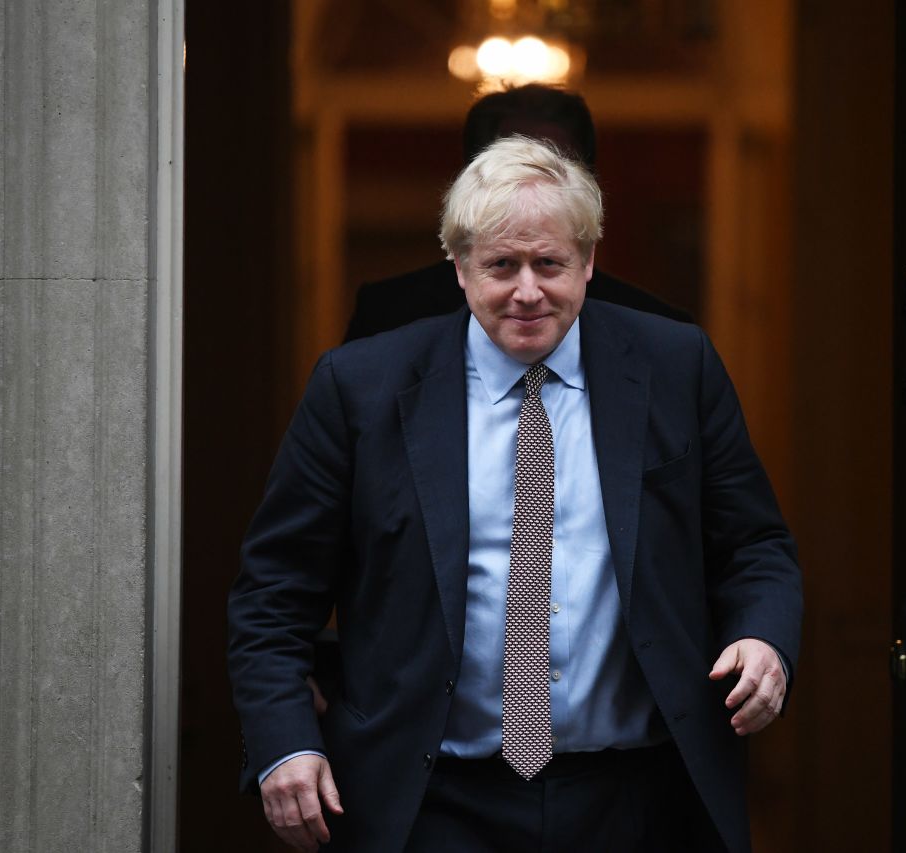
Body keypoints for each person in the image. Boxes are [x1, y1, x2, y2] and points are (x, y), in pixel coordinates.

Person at [228, 137, 802, 852]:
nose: (528, 290)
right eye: (502, 265)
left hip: (636, 800)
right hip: (430, 802)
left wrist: (763, 637)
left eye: (550, 264)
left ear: (589, 261)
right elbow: (273, 595)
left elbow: (756, 545)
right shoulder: (360, 388)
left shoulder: (675, 367)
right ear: (460, 266)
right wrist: (285, 742)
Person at [342, 84, 690, 344]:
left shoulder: (663, 338)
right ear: (471, 178)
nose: (532, 185)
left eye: (555, 166)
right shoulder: (390, 316)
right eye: (512, 164)